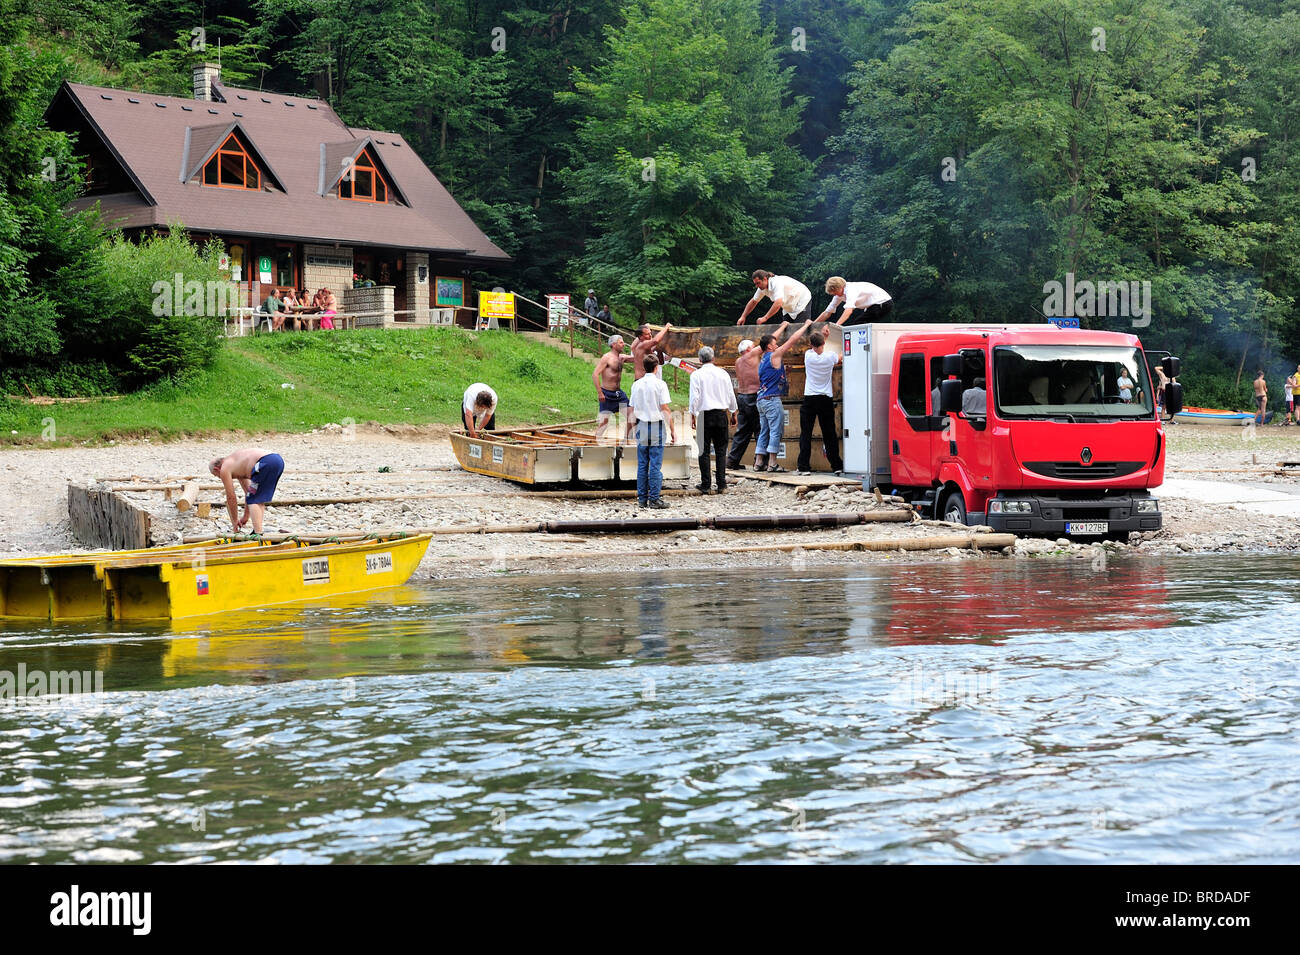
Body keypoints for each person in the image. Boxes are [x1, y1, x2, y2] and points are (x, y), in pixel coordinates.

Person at [755, 319, 813, 471]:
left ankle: (759, 462)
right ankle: (772, 463)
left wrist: (782, 326)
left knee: (764, 430)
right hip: (772, 400)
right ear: (769, 346)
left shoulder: (763, 358)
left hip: (761, 399)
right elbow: (792, 340)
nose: (778, 345)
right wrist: (806, 325)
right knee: (776, 430)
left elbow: (771, 374)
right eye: (775, 343)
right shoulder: (774, 355)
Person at [688, 346, 738, 494]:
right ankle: (722, 484)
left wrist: (692, 414)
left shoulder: (696, 375)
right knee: (721, 450)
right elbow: (730, 394)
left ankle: (706, 484)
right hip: (721, 414)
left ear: (699, 360)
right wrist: (733, 412)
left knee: (703, 451)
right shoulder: (723, 373)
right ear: (713, 358)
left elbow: (695, 397)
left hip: (704, 415)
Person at [629, 354, 676, 508]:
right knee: (655, 464)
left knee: (642, 464)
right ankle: (654, 499)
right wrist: (673, 430)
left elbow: (632, 408)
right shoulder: (660, 384)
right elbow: (665, 408)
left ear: (644, 367)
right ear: (656, 368)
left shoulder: (636, 385)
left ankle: (642, 499)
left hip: (642, 425)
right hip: (656, 426)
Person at [796, 328, 844, 475]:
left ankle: (803, 467)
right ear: (823, 343)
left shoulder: (808, 356)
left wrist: (823, 338)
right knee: (829, 433)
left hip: (810, 398)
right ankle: (836, 465)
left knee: (806, 433)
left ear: (811, 344)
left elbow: (817, 348)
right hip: (825, 398)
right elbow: (840, 357)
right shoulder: (830, 357)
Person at [209, 448, 284, 535]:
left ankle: (258, 533)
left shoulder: (224, 468)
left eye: (217, 476)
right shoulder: (237, 464)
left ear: (216, 469)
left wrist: (234, 522)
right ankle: (257, 530)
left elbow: (231, 497)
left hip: (265, 462)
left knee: (254, 498)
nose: (220, 477)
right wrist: (245, 516)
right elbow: (248, 491)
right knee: (256, 497)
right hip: (277, 460)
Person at [726, 336, 769, 470]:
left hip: (742, 397)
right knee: (760, 429)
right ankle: (761, 462)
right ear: (750, 348)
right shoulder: (750, 356)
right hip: (753, 397)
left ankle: (732, 461)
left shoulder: (738, 361)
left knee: (743, 431)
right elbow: (767, 342)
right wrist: (783, 326)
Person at [593, 334, 634, 440]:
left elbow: (638, 358)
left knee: (632, 416)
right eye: (621, 342)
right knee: (604, 423)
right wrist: (600, 393)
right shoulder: (607, 358)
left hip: (618, 394)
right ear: (614, 344)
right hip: (607, 394)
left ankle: (627, 440)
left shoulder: (622, 357)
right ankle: (595, 442)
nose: (623, 344)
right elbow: (595, 374)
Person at [737, 270, 812, 325]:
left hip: (802, 299)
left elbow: (778, 303)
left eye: (758, 283)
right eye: (755, 284)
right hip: (788, 306)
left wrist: (765, 318)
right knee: (785, 329)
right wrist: (743, 316)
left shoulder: (776, 282)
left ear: (765, 279)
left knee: (800, 329)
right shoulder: (761, 288)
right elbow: (753, 301)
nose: (757, 286)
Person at [816, 277, 893, 325]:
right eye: (833, 294)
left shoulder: (851, 289)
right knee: (860, 323)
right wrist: (813, 324)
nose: (836, 295)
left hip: (883, 303)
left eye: (835, 293)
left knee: (858, 323)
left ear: (840, 287)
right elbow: (827, 312)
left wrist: (836, 325)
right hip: (873, 306)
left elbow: (849, 310)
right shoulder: (838, 295)